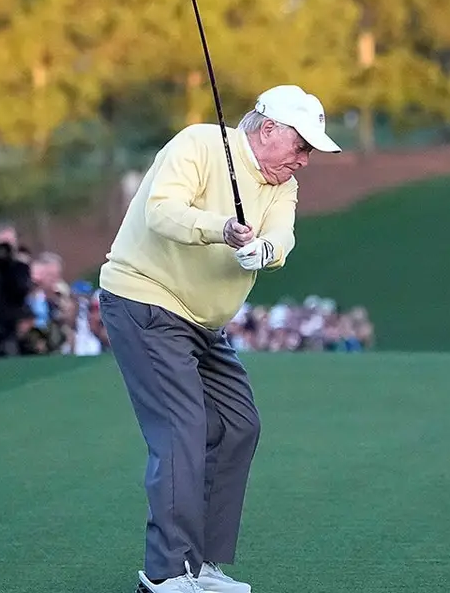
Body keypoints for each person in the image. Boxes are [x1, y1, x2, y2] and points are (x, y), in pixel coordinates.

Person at [96, 85, 340, 593]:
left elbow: (283, 234)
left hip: (205, 325)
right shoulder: (200, 144)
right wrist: (221, 229)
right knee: (182, 431)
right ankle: (165, 575)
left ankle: (199, 565)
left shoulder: (282, 182)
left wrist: (265, 249)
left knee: (237, 425)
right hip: (145, 301)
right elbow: (161, 211)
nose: (305, 160)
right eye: (301, 145)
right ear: (268, 129)